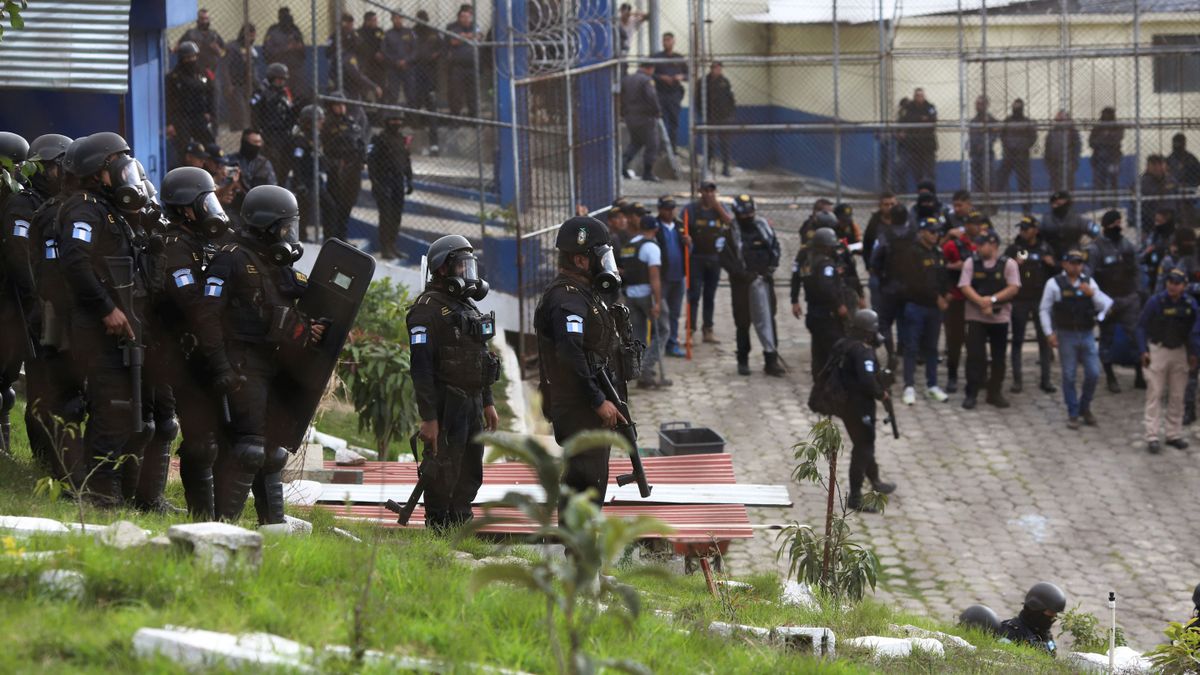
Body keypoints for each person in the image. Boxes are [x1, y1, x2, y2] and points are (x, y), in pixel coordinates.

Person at [203, 185, 325, 524]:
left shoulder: (276, 263)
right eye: (286, 228)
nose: (290, 236)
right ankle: (223, 527)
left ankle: (273, 527)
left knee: (272, 452)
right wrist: (219, 365)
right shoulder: (230, 258)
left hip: (272, 363)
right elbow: (207, 316)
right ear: (267, 226)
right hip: (242, 362)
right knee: (250, 448)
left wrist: (310, 326)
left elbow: (300, 297)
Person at [57, 132, 143, 506]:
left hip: (116, 326)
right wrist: (106, 308)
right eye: (117, 164)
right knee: (110, 404)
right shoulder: (83, 208)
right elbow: (76, 261)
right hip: (95, 325)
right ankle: (93, 489)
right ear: (97, 171)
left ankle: (96, 486)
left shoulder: (109, 210)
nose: (126, 170)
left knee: (117, 405)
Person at [152, 166, 236, 519]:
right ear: (187, 208)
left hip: (208, 349)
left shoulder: (207, 241)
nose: (212, 207)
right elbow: (189, 299)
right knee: (200, 441)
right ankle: (202, 516)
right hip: (181, 354)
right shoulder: (174, 246)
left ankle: (219, 514)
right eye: (206, 200)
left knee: (220, 436)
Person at [408, 235, 500, 529]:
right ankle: (438, 528)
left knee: (471, 469)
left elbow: (480, 356)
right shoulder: (426, 310)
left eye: (469, 266)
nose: (467, 273)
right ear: (443, 269)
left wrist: (487, 401)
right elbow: (420, 369)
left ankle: (461, 524)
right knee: (443, 468)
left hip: (472, 402)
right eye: (462, 266)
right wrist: (429, 418)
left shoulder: (466, 306)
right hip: (447, 404)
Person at [534, 216, 627, 506]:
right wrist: (598, 400)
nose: (605, 264)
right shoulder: (567, 300)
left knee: (591, 480)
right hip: (579, 408)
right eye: (600, 257)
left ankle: (583, 548)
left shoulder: (583, 294)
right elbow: (570, 354)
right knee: (585, 482)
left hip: (585, 405)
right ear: (581, 260)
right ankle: (578, 550)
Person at [2, 134, 71, 467]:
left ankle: (42, 462)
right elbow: (19, 257)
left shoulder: (60, 205)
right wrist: (36, 304)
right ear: (43, 168)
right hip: (21, 307)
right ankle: (33, 461)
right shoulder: (24, 204)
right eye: (60, 167)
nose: (65, 174)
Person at [830, 310, 896, 512]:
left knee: (863, 443)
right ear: (867, 332)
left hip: (845, 404)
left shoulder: (845, 344)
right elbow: (868, 381)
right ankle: (856, 497)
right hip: (859, 407)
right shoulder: (863, 352)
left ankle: (875, 480)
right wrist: (881, 394)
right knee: (864, 447)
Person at [1040, 250, 1113, 428]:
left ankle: (1085, 406)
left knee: (1093, 373)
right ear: (1064, 264)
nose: (1076, 266)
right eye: (1072, 263)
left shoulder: (1088, 283)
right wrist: (1049, 333)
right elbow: (1044, 309)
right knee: (1069, 375)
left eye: (1079, 263)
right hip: (1066, 334)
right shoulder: (1054, 284)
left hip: (1087, 333)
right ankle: (1073, 412)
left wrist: (1092, 294)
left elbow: (1106, 304)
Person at [1137, 268, 1200, 454]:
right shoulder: (1156, 301)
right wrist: (1143, 351)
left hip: (1180, 352)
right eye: (1170, 282)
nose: (1172, 286)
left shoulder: (1190, 304)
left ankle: (1173, 434)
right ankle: (1152, 436)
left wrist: (1193, 353)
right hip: (1158, 350)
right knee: (1154, 394)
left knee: (1177, 395)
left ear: (1184, 286)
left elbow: (1194, 332)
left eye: (1177, 283)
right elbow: (1141, 326)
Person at [721, 194, 784, 377]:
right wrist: (743, 275)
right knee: (742, 322)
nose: (748, 216)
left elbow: (775, 249)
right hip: (742, 285)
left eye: (750, 212)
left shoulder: (764, 228)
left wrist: (769, 269)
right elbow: (725, 259)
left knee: (768, 320)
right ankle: (743, 360)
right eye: (744, 213)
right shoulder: (729, 233)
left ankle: (771, 360)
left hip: (764, 281)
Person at [959, 230, 1021, 409]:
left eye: (981, 244)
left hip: (999, 318)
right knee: (974, 356)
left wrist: (992, 300)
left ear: (993, 245)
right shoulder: (971, 262)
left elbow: (1013, 287)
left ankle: (994, 392)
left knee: (998, 358)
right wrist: (981, 302)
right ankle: (971, 393)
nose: (977, 247)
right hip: (975, 317)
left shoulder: (1008, 264)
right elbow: (964, 285)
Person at [1086, 210, 1144, 393]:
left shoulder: (1127, 246)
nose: (1118, 227)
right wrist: (1097, 299)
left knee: (1136, 337)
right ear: (1105, 226)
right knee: (1107, 338)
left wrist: (1138, 292)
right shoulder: (1095, 249)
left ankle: (1140, 375)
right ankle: (1110, 377)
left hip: (1128, 298)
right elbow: (1088, 275)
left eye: (1120, 223)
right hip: (1107, 301)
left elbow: (1136, 270)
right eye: (1114, 223)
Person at [897, 218, 951, 405]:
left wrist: (947, 294)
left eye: (937, 232)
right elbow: (914, 282)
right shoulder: (913, 253)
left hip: (934, 309)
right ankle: (909, 386)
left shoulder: (938, 252)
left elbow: (943, 277)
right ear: (921, 233)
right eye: (931, 231)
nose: (935, 235)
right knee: (911, 347)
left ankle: (932, 385)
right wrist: (937, 298)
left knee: (932, 348)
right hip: (917, 306)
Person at [1006, 216, 1058, 394]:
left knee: (1044, 341)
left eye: (1026, 228)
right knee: (1017, 340)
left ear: (1035, 230)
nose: (1023, 231)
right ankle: (1017, 380)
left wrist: (1052, 264)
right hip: (1020, 299)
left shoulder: (1045, 248)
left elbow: (1056, 271)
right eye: (1021, 228)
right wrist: (1013, 264)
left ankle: (1046, 380)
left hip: (1040, 300)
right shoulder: (1016, 248)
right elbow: (1002, 267)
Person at [792, 228, 852, 376]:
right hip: (827, 314)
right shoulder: (826, 264)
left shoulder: (808, 260)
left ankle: (819, 380)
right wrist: (839, 305)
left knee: (818, 351)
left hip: (813, 312)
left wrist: (794, 299)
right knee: (835, 349)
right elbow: (827, 288)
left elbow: (797, 277)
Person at [619, 219, 669, 388]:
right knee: (663, 330)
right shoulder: (651, 247)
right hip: (647, 295)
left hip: (630, 295)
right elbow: (654, 276)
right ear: (655, 229)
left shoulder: (628, 246)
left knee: (638, 335)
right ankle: (646, 369)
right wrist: (657, 302)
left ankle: (639, 370)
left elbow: (621, 270)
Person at [683, 181, 731, 344]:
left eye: (712, 191)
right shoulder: (691, 209)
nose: (709, 194)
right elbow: (681, 226)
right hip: (696, 258)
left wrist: (717, 207)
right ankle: (690, 329)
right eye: (706, 191)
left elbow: (730, 223)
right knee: (694, 295)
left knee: (709, 295)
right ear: (700, 192)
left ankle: (708, 329)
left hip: (715, 259)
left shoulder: (721, 207)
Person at [941, 212, 982, 393]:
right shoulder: (952, 245)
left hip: (975, 298)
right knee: (954, 340)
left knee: (975, 341)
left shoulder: (983, 245)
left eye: (978, 224)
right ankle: (952, 376)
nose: (976, 227)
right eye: (972, 224)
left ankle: (975, 377)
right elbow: (939, 265)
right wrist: (954, 266)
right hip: (956, 298)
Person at [868, 202, 915, 349]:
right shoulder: (914, 235)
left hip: (889, 286)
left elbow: (874, 260)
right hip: (909, 286)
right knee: (906, 319)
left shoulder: (885, 236)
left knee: (884, 321)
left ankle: (890, 352)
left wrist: (879, 275)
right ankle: (905, 348)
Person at [368, 113, 415, 260]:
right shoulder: (379, 139)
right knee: (386, 216)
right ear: (387, 122)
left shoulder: (401, 140)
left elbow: (406, 161)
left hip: (398, 182)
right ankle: (385, 247)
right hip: (384, 181)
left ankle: (393, 245)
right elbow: (371, 162)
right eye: (394, 120)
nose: (397, 122)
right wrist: (375, 182)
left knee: (396, 216)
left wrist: (409, 179)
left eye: (399, 120)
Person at [286, 105, 335, 243]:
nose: (322, 123)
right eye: (319, 120)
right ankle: (300, 237)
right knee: (304, 209)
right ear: (310, 121)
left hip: (316, 179)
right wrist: (299, 183)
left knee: (330, 205)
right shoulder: (301, 139)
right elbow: (297, 161)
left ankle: (329, 238)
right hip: (304, 179)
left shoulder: (316, 137)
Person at [322, 98, 366, 242]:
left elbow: (360, 143)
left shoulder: (351, 123)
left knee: (348, 202)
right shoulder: (327, 124)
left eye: (342, 105)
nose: (340, 107)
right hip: (337, 168)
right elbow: (326, 147)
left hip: (353, 168)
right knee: (335, 204)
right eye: (337, 105)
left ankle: (342, 236)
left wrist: (362, 159)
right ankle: (332, 237)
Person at [165, 41, 216, 165]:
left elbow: (211, 93)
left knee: (208, 145)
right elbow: (169, 101)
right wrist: (170, 122)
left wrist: (211, 113)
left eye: (193, 56)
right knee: (184, 148)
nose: (191, 60)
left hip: (200, 115)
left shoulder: (203, 73)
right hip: (182, 117)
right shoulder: (174, 77)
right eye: (188, 58)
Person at [652, 196, 690, 357]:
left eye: (672, 208)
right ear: (660, 209)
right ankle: (656, 345)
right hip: (662, 278)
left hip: (679, 276)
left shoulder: (681, 226)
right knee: (660, 313)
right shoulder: (655, 227)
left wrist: (689, 243)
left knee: (675, 312)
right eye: (666, 208)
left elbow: (689, 252)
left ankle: (672, 343)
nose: (670, 212)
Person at [250, 63, 295, 182]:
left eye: (283, 80)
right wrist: (258, 133)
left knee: (286, 164)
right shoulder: (262, 92)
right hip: (269, 134)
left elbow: (290, 111)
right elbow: (254, 110)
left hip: (285, 133)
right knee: (274, 164)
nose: (281, 82)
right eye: (278, 79)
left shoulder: (285, 93)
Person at [620, 63, 661, 182]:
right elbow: (651, 96)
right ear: (649, 68)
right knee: (652, 145)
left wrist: (623, 113)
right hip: (645, 117)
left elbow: (620, 97)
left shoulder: (627, 79)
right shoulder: (646, 80)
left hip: (630, 117)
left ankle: (623, 166)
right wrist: (657, 111)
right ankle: (647, 173)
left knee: (636, 143)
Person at [1001, 582, 1067, 655]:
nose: (1054, 617)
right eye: (1051, 612)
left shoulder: (1044, 634)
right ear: (1036, 609)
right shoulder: (1010, 632)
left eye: (1055, 613)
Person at [409, 11, 442, 156]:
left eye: (424, 19)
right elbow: (406, 49)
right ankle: (417, 145)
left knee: (432, 110)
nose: (422, 22)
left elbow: (443, 48)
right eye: (419, 19)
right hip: (415, 75)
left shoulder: (434, 33)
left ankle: (434, 145)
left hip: (431, 75)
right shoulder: (412, 33)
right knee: (415, 110)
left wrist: (436, 55)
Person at [995, 99, 1037, 209]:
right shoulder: (1007, 121)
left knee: (1024, 183)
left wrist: (1022, 147)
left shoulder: (1027, 121)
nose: (1016, 109)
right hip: (1009, 155)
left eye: (1018, 107)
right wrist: (1008, 146)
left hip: (1022, 156)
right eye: (1015, 106)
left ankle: (1027, 208)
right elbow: (1002, 136)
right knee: (1000, 181)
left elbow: (1032, 137)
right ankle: (994, 206)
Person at [652, 33, 687, 153]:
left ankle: (672, 147)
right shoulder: (656, 58)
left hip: (674, 94)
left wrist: (681, 77)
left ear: (673, 41)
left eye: (669, 40)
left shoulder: (679, 58)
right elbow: (649, 73)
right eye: (664, 40)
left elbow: (688, 75)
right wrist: (661, 77)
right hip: (660, 93)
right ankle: (660, 148)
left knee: (673, 121)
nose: (666, 42)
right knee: (659, 121)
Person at [897, 88, 937, 190]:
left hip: (928, 145)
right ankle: (920, 192)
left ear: (924, 97)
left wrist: (915, 120)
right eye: (917, 96)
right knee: (917, 172)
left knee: (930, 171)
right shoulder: (909, 108)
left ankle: (931, 192)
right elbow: (905, 120)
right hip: (914, 146)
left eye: (921, 96)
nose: (919, 98)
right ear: (914, 97)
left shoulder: (930, 107)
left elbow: (933, 120)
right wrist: (921, 118)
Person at [223, 23, 260, 133]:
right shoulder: (232, 47)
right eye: (250, 35)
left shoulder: (252, 50)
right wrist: (228, 84)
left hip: (249, 86)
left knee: (250, 113)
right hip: (235, 86)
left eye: (253, 36)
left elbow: (254, 71)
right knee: (239, 114)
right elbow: (225, 67)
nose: (252, 38)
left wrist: (258, 86)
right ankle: (238, 135)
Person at [445, 6, 480, 118]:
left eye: (468, 17)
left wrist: (463, 37)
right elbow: (454, 41)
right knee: (456, 94)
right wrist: (470, 36)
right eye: (463, 16)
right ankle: (455, 117)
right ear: (459, 17)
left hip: (472, 66)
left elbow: (479, 36)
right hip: (457, 67)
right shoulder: (452, 27)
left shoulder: (475, 26)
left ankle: (473, 117)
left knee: (473, 94)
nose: (465, 19)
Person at [702, 62, 735, 177]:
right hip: (710, 116)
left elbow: (731, 98)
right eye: (716, 68)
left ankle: (725, 168)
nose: (718, 71)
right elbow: (698, 99)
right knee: (710, 143)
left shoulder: (724, 81)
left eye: (720, 69)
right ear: (711, 69)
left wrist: (730, 113)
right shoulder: (704, 82)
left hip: (724, 117)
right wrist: (703, 113)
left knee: (725, 143)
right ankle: (707, 166)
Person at [263, 7, 306, 97]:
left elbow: (303, 50)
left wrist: (299, 47)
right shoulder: (273, 31)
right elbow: (268, 52)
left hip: (295, 69)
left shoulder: (295, 30)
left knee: (299, 94)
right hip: (279, 70)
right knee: (281, 94)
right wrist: (286, 48)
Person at [1041, 191, 1094, 262]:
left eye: (1060, 203)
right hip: (1052, 256)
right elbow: (1037, 238)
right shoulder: (1046, 220)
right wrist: (1044, 253)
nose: (1057, 205)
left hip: (1074, 257)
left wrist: (1085, 246)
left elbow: (1095, 232)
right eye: (1055, 203)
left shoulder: (1078, 219)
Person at [178, 8, 226, 85]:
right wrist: (191, 48)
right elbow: (178, 48)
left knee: (213, 93)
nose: (204, 21)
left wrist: (218, 50)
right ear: (197, 20)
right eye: (202, 19)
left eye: (206, 19)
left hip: (213, 72)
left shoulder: (214, 35)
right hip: (195, 72)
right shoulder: (190, 34)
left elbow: (224, 54)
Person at [227, 129, 277, 199]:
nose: (258, 145)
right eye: (255, 142)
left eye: (260, 142)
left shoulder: (265, 164)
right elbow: (226, 183)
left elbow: (272, 187)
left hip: (258, 202)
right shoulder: (232, 161)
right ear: (245, 143)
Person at [1141, 155, 1183, 234]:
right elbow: (1148, 197)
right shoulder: (1144, 181)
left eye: (1160, 164)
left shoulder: (1170, 179)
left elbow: (1178, 198)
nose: (1157, 168)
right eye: (1153, 165)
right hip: (1151, 217)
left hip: (1170, 215)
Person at [1089, 107, 1124, 198]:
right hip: (1099, 159)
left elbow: (1117, 139)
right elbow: (1091, 142)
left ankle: (1114, 203)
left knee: (1114, 181)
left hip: (1113, 158)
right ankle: (1103, 203)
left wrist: (1103, 138)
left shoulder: (1117, 127)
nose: (1106, 116)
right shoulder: (1097, 127)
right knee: (1101, 182)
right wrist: (1106, 137)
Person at [1044, 109, 1081, 193]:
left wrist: (1074, 162)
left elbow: (1076, 147)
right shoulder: (1052, 132)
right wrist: (1048, 163)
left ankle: (1068, 204)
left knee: (1068, 185)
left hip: (1068, 162)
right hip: (1055, 163)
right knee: (1056, 186)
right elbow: (1047, 148)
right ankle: (1058, 204)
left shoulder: (1072, 132)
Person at [383, 13, 414, 106]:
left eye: (399, 18)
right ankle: (392, 118)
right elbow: (384, 51)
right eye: (395, 18)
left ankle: (411, 118)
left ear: (403, 19)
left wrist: (406, 60)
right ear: (391, 20)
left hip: (408, 68)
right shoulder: (388, 34)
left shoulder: (409, 32)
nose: (398, 20)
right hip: (393, 69)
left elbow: (415, 50)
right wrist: (395, 61)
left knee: (411, 94)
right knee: (393, 94)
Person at [968, 95, 998, 192]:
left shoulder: (992, 120)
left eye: (980, 104)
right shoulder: (973, 121)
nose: (977, 106)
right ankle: (979, 204)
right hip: (975, 154)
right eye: (977, 104)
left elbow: (994, 136)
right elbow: (971, 137)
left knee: (989, 180)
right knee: (977, 180)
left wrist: (985, 144)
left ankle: (991, 204)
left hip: (987, 154)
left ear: (986, 105)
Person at [357, 11, 387, 104]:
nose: (376, 22)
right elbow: (361, 48)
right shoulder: (359, 33)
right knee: (363, 89)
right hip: (365, 66)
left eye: (376, 20)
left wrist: (382, 53)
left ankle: (380, 113)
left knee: (380, 90)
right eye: (374, 20)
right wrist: (374, 53)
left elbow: (384, 43)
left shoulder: (379, 31)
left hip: (379, 66)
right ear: (367, 21)